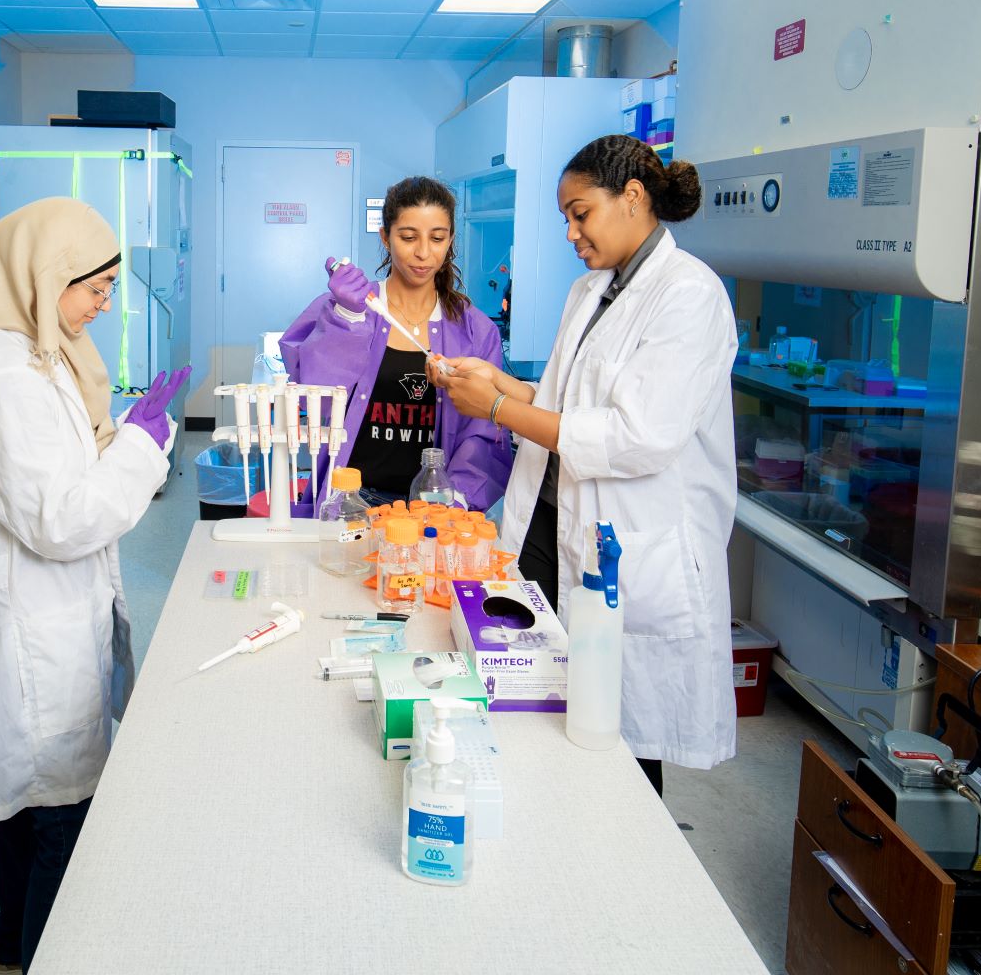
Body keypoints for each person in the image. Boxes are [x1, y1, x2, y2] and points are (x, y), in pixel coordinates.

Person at [0, 198, 190, 975]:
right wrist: (144, 442)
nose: (105, 305)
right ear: (45, 277)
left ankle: (11, 955)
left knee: (31, 810)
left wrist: (129, 433)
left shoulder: (34, 352)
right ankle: (34, 957)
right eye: (96, 287)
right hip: (27, 635)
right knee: (57, 820)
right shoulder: (4, 374)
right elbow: (64, 519)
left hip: (44, 619)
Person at [435, 135, 739, 794]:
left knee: (615, 738)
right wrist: (498, 383)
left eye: (581, 213)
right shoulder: (590, 289)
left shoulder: (690, 295)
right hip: (551, 524)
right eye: (566, 219)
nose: (572, 232)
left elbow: (636, 437)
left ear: (632, 198)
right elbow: (563, 403)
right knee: (538, 698)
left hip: (625, 542)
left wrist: (494, 408)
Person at [280, 176, 512, 508]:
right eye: (408, 237)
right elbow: (317, 400)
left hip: (432, 508)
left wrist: (456, 497)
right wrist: (347, 321)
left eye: (437, 238)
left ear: (450, 241)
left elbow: (484, 432)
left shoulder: (474, 331)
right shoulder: (350, 309)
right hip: (351, 500)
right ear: (386, 238)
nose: (423, 253)